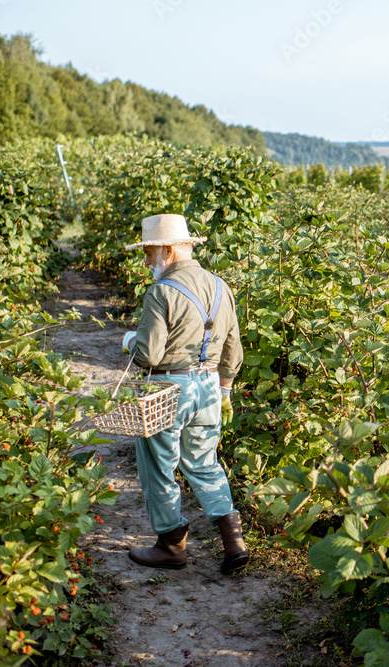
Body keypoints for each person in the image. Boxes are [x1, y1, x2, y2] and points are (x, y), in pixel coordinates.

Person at [120, 213, 248, 574]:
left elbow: (149, 354)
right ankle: (232, 541)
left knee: (158, 465)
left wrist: (129, 340)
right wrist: (225, 389)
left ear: (168, 250)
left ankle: (171, 544)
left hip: (168, 388)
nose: (147, 261)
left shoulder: (161, 291)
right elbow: (233, 349)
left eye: (149, 253)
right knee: (204, 462)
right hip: (209, 386)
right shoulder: (221, 286)